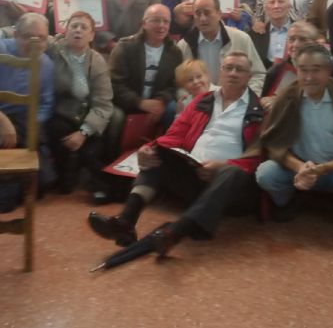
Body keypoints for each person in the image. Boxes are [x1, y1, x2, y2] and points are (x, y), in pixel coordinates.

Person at [87, 52, 264, 256]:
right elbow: (174, 135)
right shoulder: (202, 100)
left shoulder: (258, 110)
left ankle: (176, 232)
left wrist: (221, 167)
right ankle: (126, 221)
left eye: (239, 69)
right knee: (157, 152)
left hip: (232, 188)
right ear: (220, 72)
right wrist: (148, 149)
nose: (232, 73)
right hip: (196, 175)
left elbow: (257, 156)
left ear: (249, 76)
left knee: (232, 172)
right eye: (228, 68)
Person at [255, 44, 333, 233]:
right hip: (297, 169)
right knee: (266, 173)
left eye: (316, 70)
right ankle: (286, 202)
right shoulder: (286, 97)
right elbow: (275, 145)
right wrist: (300, 167)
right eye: (303, 70)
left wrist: (323, 168)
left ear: (329, 70)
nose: (309, 77)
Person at [0, 13, 55, 211]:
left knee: (35, 131)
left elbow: (45, 105)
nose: (34, 43)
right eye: (27, 36)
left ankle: (0, 185)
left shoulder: (47, 64)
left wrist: (29, 125)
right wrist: (2, 121)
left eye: (41, 38)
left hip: (23, 120)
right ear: (15, 35)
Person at [45, 12, 114, 201]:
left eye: (84, 28)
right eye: (73, 26)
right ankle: (66, 176)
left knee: (92, 150)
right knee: (58, 129)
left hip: (88, 114)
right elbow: (31, 30)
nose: (78, 30)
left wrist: (84, 132)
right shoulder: (54, 49)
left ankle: (98, 185)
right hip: (61, 114)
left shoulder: (97, 61)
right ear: (65, 31)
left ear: (91, 35)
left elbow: (103, 103)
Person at [108, 4, 181, 130]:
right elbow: (114, 84)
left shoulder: (175, 52)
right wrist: (139, 102)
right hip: (127, 103)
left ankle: (166, 142)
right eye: (156, 20)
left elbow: (175, 84)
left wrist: (161, 101)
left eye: (166, 21)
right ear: (144, 23)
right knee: (116, 117)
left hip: (159, 103)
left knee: (173, 108)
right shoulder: (125, 47)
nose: (161, 25)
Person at [177, 0, 266, 95]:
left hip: (236, 101)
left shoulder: (241, 39)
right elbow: (179, 83)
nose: (202, 18)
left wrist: (246, 99)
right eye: (198, 13)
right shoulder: (184, 46)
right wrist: (187, 99)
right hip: (198, 102)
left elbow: (258, 75)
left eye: (207, 13)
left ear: (219, 14)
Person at [260, 21, 321, 105]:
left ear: (315, 43)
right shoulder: (276, 71)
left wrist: (279, 102)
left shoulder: (327, 71)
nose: (295, 44)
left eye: (303, 39)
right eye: (292, 39)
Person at [250, 0, 293, 68]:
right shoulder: (256, 34)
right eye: (272, 2)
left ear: (289, 6)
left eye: (281, 1)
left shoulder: (301, 32)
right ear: (266, 8)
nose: (276, 6)